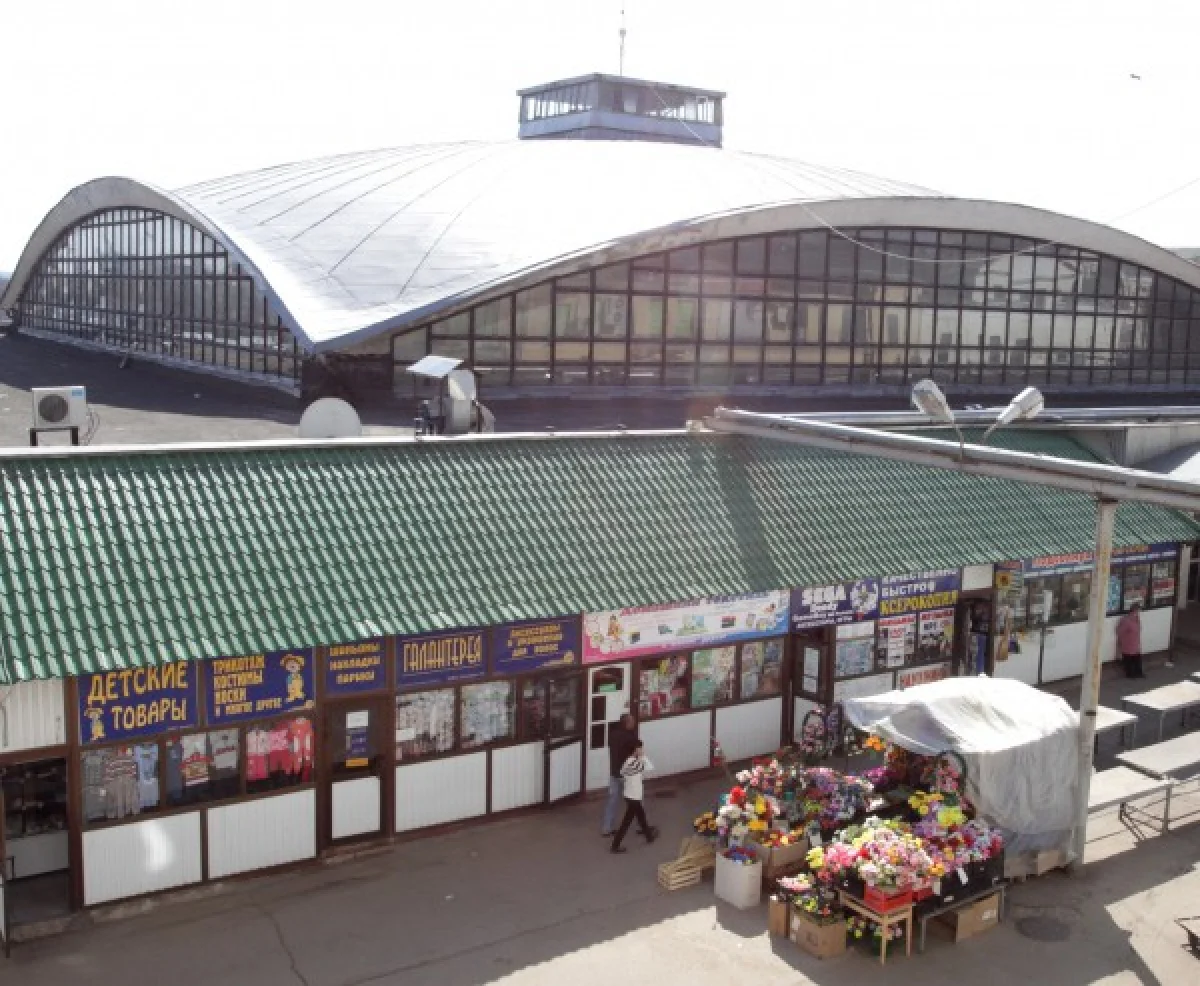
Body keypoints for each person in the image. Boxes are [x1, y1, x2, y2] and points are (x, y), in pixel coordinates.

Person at [610, 741, 659, 854]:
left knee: (641, 817)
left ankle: (649, 837)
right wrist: (642, 756)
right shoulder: (633, 763)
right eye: (640, 748)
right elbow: (650, 767)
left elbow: (623, 773)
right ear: (635, 750)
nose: (642, 750)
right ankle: (615, 845)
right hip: (634, 797)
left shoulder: (628, 762)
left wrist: (639, 757)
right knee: (627, 822)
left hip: (631, 795)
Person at [602, 713, 637, 837]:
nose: (634, 723)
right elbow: (635, 754)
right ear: (627, 723)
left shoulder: (613, 735)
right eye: (632, 721)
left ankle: (607, 828)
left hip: (614, 773)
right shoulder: (629, 737)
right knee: (636, 799)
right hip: (626, 774)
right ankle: (641, 826)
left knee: (612, 801)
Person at [1117, 602, 1145, 678]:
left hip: (1135, 642)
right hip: (1128, 642)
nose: (1139, 612)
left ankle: (1138, 672)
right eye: (1138, 610)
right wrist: (1122, 640)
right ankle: (1130, 674)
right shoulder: (1126, 620)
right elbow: (1120, 631)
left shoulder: (1136, 619)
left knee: (1137, 658)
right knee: (1128, 659)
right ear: (1134, 610)